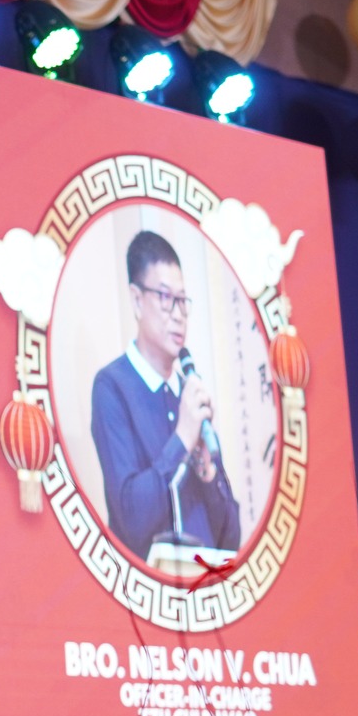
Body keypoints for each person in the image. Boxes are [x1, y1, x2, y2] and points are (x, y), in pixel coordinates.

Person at [88, 229, 241, 564]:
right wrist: (182, 439)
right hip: (146, 604)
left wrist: (208, 473)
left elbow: (231, 539)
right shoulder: (112, 387)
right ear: (137, 300)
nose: (178, 314)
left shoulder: (188, 393)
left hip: (205, 596)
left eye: (183, 300)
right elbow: (131, 519)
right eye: (164, 297)